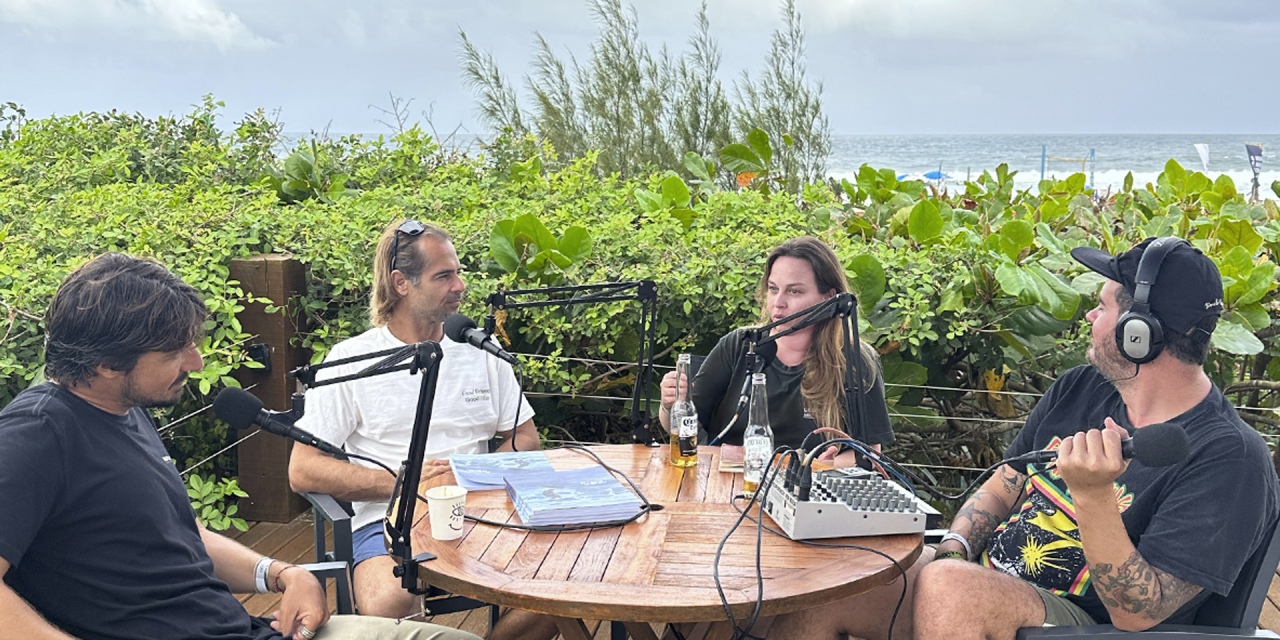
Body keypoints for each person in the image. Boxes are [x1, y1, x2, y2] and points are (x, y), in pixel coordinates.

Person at [770, 237, 1279, 640]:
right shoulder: (1082, 387)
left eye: (1101, 307)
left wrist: (1094, 495)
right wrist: (955, 545)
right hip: (983, 588)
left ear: (1138, 333)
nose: (1089, 317)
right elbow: (1007, 481)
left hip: (1089, 627)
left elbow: (1138, 614)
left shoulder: (1230, 458)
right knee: (834, 586)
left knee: (952, 590)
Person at [0, 252, 480, 640]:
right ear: (106, 362)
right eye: (174, 351)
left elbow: (180, 534)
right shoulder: (36, 436)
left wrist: (284, 574)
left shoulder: (123, 410)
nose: (196, 360)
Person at [288, 220, 554, 639]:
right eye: (444, 276)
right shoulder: (353, 359)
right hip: (388, 521)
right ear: (401, 283)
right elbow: (303, 470)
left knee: (564, 582)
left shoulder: (480, 351)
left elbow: (524, 438)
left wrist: (466, 481)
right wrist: (404, 483)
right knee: (388, 600)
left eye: (459, 272)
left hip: (482, 515)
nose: (460, 285)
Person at [659, 236, 893, 464]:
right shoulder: (740, 345)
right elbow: (680, 425)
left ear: (829, 298)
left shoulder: (854, 359)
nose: (778, 303)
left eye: (794, 291)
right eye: (773, 289)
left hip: (810, 492)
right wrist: (670, 405)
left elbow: (870, 455)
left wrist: (822, 467)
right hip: (729, 489)